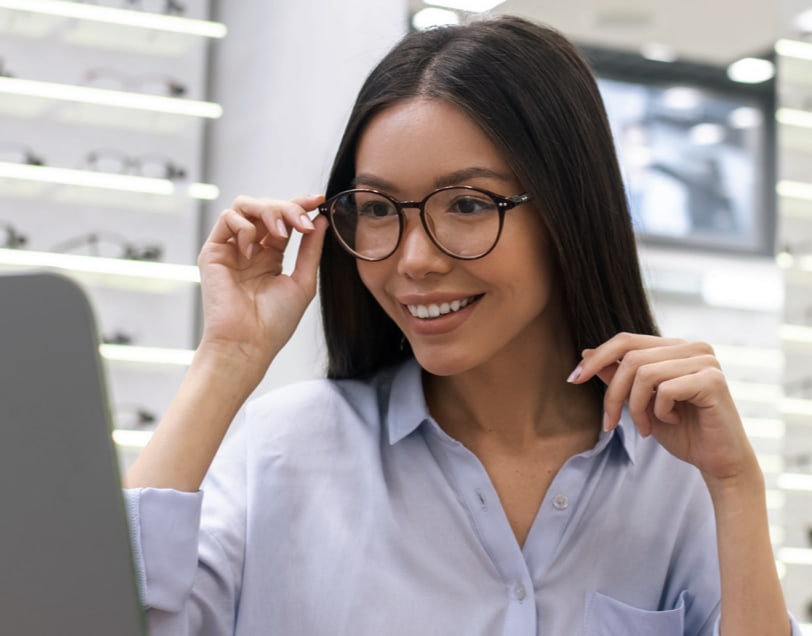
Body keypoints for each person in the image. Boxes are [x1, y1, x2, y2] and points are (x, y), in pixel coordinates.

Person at [123, 16, 799, 636]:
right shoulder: (284, 451)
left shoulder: (675, 475)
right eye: (381, 209)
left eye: (469, 204)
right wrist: (227, 360)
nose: (414, 261)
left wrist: (738, 487)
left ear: (568, 209)